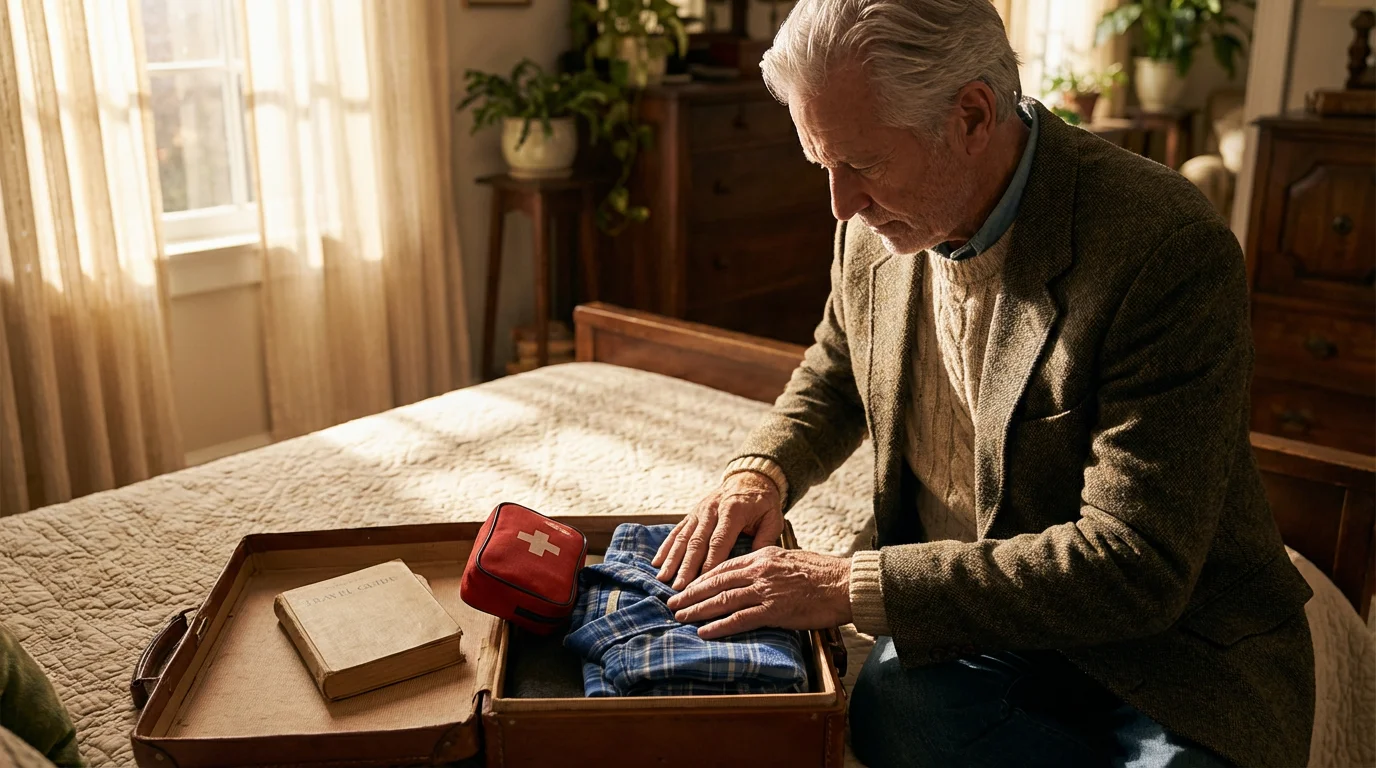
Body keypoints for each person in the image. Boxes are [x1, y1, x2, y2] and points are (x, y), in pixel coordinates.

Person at [651, 1, 1315, 766]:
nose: (839, 205)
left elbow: (1136, 564)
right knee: (890, 707)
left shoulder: (1163, 245)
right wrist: (760, 470)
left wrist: (845, 583)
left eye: (862, 165)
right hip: (983, 620)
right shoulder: (869, 226)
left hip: (1164, 652)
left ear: (971, 115)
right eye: (822, 164)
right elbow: (838, 370)